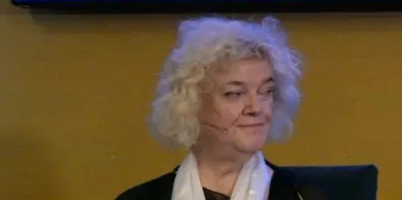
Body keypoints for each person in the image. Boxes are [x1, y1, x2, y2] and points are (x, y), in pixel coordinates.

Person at [115, 16, 325, 200]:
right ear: (191, 104)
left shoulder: (304, 196)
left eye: (266, 91)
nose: (256, 108)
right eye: (235, 94)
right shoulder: (139, 198)